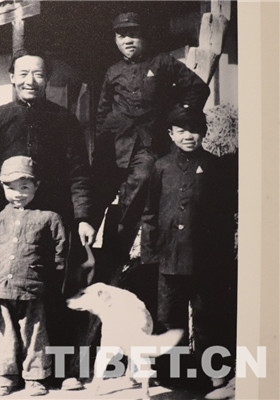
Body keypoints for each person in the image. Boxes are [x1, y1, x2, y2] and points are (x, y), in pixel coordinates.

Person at [0, 48, 96, 390]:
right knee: (11, 295)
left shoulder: (64, 119)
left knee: (59, 291)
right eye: (23, 73)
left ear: (47, 79)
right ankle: (10, 370)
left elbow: (79, 172)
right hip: (12, 218)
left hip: (54, 220)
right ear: (12, 77)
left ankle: (62, 370)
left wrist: (82, 216)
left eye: (38, 74)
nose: (30, 81)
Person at [93, 12, 211, 259]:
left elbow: (198, 88)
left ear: (143, 37)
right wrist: (101, 146)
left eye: (133, 34)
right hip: (116, 145)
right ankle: (86, 260)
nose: (128, 40)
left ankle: (116, 255)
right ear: (115, 40)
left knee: (140, 184)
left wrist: (177, 117)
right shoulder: (112, 71)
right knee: (94, 197)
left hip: (148, 145)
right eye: (122, 36)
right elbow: (102, 112)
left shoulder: (162, 62)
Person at [141, 107, 237, 396]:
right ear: (171, 134)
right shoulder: (161, 166)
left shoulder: (215, 166)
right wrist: (151, 255)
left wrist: (223, 257)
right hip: (169, 259)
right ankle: (173, 376)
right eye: (181, 131)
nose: (188, 136)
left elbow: (225, 214)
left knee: (209, 317)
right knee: (169, 319)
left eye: (194, 130)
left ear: (203, 133)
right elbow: (150, 213)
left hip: (205, 260)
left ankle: (215, 375)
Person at [0, 156, 67, 397]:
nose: (18, 194)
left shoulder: (49, 217)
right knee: (4, 333)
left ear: (36, 186)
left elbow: (60, 252)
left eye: (24, 187)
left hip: (33, 286)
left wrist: (48, 279)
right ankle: (4, 376)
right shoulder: (0, 217)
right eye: (10, 188)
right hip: (3, 286)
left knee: (34, 332)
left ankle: (35, 376)